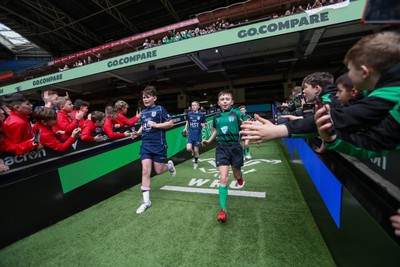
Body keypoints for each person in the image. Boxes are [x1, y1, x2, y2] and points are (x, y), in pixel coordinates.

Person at [315, 31, 400, 158]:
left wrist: (283, 129)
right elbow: (378, 142)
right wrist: (332, 138)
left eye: (349, 70)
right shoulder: (375, 93)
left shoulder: (388, 96)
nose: (348, 75)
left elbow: (376, 143)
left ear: (365, 72)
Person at [131, 86, 176, 215]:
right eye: (144, 97)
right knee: (145, 170)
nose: (145, 99)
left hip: (159, 145)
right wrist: (137, 134)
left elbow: (171, 123)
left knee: (159, 170)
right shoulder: (143, 112)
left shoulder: (160, 109)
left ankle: (170, 165)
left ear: (154, 98)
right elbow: (143, 127)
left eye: (148, 97)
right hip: (145, 145)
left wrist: (157, 125)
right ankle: (146, 202)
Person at [201, 90, 244, 222]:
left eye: (227, 99)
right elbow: (216, 131)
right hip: (221, 148)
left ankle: (239, 178)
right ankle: (223, 210)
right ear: (218, 102)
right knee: (224, 178)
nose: (225, 101)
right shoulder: (216, 117)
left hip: (235, 148)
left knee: (237, 175)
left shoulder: (237, 113)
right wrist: (209, 141)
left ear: (232, 102)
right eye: (222, 99)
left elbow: (244, 126)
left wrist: (248, 137)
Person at [182, 101, 206, 169]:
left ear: (198, 106)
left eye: (195, 105)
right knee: (188, 148)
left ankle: (196, 162)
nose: (193, 106)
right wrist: (185, 128)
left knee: (196, 151)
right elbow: (187, 121)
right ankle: (192, 151)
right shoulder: (189, 114)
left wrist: (204, 125)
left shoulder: (201, 114)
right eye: (192, 105)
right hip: (190, 134)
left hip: (198, 135)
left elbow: (205, 123)